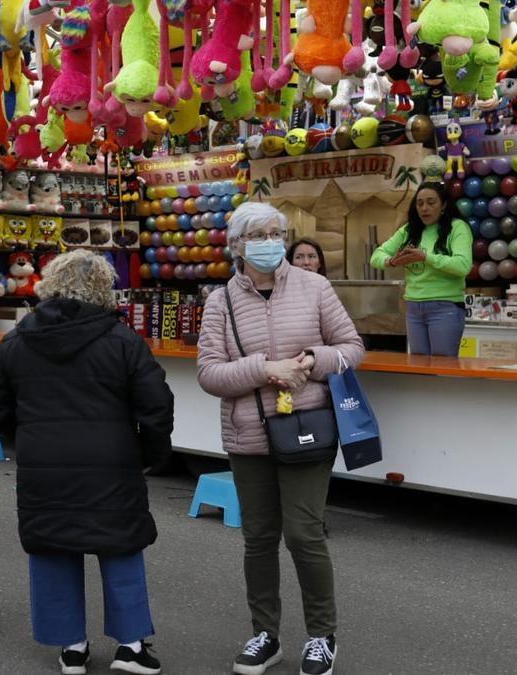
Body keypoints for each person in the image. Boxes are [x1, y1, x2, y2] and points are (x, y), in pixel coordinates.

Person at [0, 250, 174, 675]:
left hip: (43, 463)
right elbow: (156, 405)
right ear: (103, 288)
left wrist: (24, 433)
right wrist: (151, 455)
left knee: (52, 545)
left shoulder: (18, 339)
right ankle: (131, 647)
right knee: (120, 545)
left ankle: (72, 648)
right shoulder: (122, 340)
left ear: (49, 284)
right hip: (113, 462)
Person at [196, 202, 365, 675]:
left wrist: (312, 360)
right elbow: (209, 372)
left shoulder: (315, 287)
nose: (271, 241)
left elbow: (353, 348)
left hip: (308, 430)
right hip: (248, 435)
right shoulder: (220, 301)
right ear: (236, 246)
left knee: (304, 534)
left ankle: (321, 635)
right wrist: (266, 369)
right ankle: (265, 634)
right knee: (259, 538)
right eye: (259, 234)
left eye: (277, 232)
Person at [370, 182, 473, 356]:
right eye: (420, 203)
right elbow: (376, 257)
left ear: (444, 205)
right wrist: (392, 261)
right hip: (413, 308)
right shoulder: (409, 230)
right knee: (419, 368)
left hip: (445, 307)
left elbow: (462, 266)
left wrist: (425, 257)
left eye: (431, 203)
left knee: (442, 368)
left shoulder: (457, 227)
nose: (424, 208)